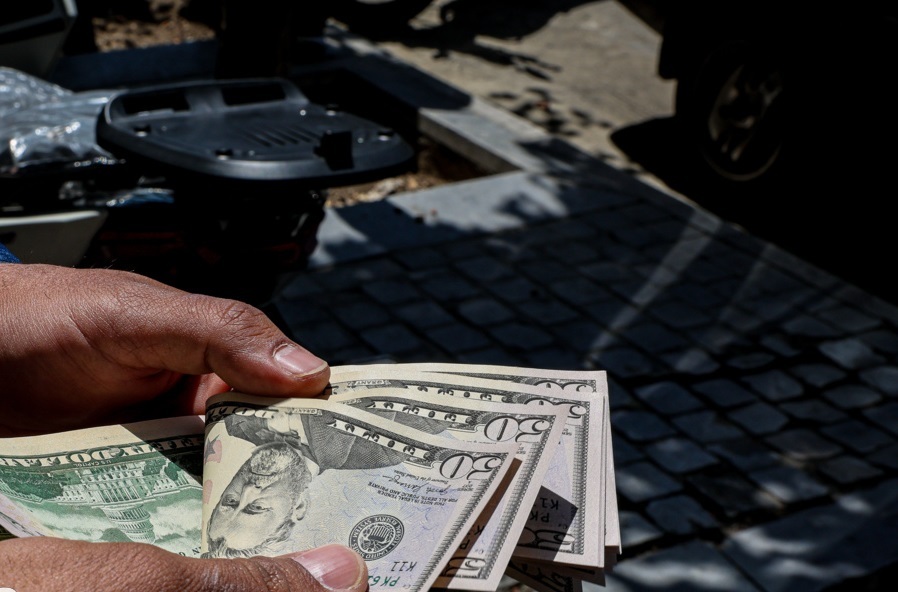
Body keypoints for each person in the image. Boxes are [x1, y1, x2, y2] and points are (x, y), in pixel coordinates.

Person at [0, 255, 368, 592]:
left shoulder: (233, 424)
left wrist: (9, 296)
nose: (247, 491)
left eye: (232, 502)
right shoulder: (362, 455)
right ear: (299, 508)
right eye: (251, 507)